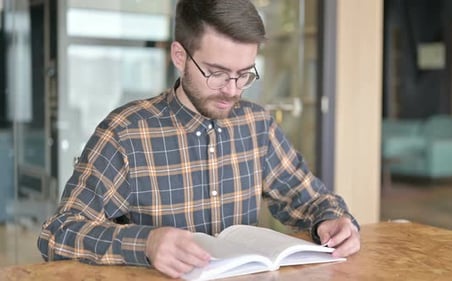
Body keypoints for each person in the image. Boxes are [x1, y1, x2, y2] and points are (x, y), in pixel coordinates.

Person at [38, 0, 360, 278]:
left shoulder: (257, 125)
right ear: (180, 56)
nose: (232, 89)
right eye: (217, 73)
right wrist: (146, 243)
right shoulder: (126, 133)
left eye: (245, 73)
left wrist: (331, 220)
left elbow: (311, 198)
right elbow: (58, 233)